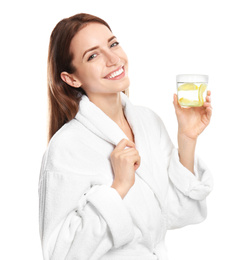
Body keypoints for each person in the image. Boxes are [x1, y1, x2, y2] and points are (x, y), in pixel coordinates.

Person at [38, 13, 213, 260]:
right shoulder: (67, 146)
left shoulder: (148, 122)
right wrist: (118, 188)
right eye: (93, 55)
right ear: (71, 78)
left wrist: (187, 138)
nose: (113, 59)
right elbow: (60, 254)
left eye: (113, 44)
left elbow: (177, 213)